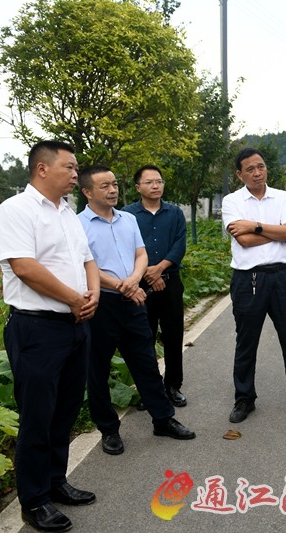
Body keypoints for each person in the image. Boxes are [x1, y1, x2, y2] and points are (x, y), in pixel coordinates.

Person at [0, 141, 99, 532]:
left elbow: (87, 259)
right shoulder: (15, 210)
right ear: (42, 168)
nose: (75, 174)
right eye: (69, 167)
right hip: (37, 328)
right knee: (38, 416)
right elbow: (24, 267)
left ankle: (55, 481)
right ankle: (34, 500)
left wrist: (93, 294)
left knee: (65, 410)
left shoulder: (68, 212)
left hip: (76, 325)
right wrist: (74, 298)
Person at [78, 165, 195, 457]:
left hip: (132, 301)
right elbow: (84, 264)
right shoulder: (78, 225)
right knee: (98, 369)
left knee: (146, 362)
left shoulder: (128, 219)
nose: (112, 190)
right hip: (101, 304)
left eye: (114, 184)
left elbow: (140, 254)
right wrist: (123, 285)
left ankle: (163, 419)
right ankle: (109, 430)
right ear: (87, 192)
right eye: (105, 186)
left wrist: (133, 280)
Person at [222, 147, 286, 425]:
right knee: (246, 341)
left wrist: (255, 226)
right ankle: (244, 398)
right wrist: (278, 233)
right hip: (248, 279)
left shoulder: (282, 197)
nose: (257, 173)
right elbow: (244, 240)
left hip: (282, 277)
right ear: (239, 174)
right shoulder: (231, 201)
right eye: (250, 169)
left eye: (261, 167)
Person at [123, 165, 188, 409]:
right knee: (144, 338)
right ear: (137, 187)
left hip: (170, 282)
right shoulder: (127, 215)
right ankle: (149, 390)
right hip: (139, 285)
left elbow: (180, 244)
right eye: (149, 182)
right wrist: (148, 274)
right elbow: (125, 248)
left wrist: (159, 268)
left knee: (173, 335)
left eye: (159, 181)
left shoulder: (175, 213)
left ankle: (173, 386)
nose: (155, 186)